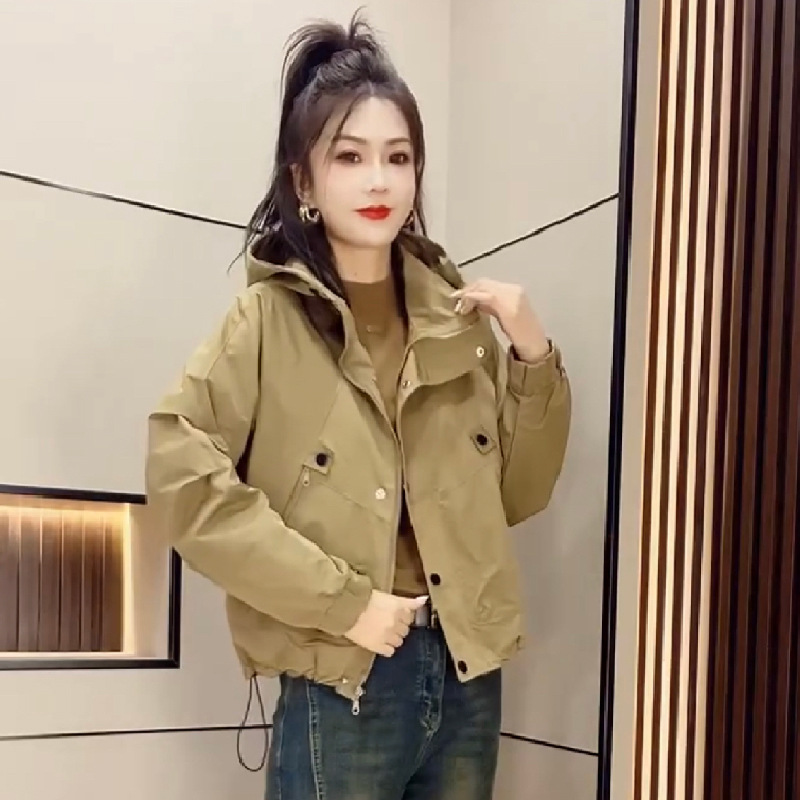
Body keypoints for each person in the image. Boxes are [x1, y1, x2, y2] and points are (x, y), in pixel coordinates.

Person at [145, 11, 571, 800]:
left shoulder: (458, 323)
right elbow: (182, 479)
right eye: (350, 156)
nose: (379, 180)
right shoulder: (266, 321)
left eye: (398, 157)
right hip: (346, 673)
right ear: (304, 182)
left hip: (469, 668)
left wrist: (533, 358)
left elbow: (517, 494)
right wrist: (344, 605)